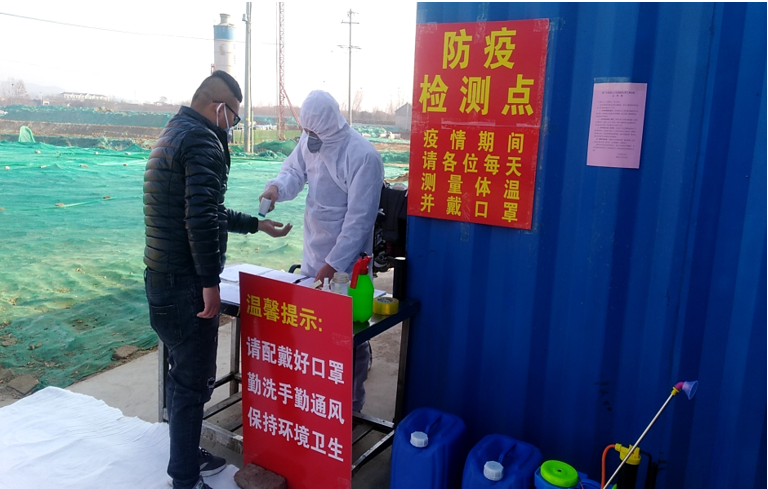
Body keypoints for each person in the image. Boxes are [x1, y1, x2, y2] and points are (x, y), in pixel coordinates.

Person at [143, 70, 292, 489]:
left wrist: (256, 225)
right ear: (219, 107)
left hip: (160, 276)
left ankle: (186, 454)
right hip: (185, 283)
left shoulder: (173, 133)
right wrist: (210, 282)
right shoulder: (203, 141)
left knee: (181, 377)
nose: (234, 126)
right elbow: (202, 218)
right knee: (192, 385)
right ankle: (185, 478)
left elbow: (204, 209)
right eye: (235, 118)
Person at [259, 90, 384, 412]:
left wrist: (333, 265)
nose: (308, 137)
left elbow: (359, 220)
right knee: (315, 328)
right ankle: (318, 398)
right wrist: (276, 189)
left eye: (313, 131)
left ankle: (350, 405)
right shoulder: (311, 140)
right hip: (314, 251)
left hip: (347, 265)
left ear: (328, 125)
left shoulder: (362, 156)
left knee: (348, 334)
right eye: (306, 131)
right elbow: (294, 170)